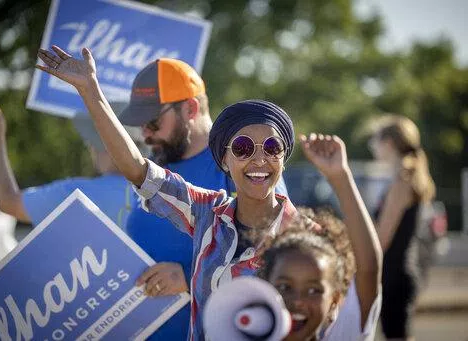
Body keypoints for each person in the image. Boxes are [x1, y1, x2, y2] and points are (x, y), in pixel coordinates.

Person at [35, 46, 381, 341]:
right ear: (225, 161)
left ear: (283, 161)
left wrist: (341, 176)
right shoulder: (206, 213)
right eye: (243, 147)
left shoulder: (304, 237)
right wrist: (90, 91)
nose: (259, 158)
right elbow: (137, 169)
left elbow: (366, 277)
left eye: (272, 147)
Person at [121, 58, 290, 339]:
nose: (145, 135)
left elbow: (277, 253)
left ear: (190, 108)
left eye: (153, 122)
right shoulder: (154, 164)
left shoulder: (244, 164)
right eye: (141, 126)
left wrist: (188, 277)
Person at [258, 134, 382, 340]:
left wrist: (339, 176)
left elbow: (368, 268)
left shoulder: (343, 335)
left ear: (335, 299)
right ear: (265, 288)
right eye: (284, 287)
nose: (298, 301)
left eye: (314, 290)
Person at [0, 98, 146, 227]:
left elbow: (7, 201)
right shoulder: (163, 191)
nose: (89, 148)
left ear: (101, 144)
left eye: (91, 141)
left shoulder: (78, 196)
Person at [368, 115, 436, 341]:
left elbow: (381, 238)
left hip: (395, 276)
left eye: (374, 141)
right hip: (398, 273)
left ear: (388, 143)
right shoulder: (407, 178)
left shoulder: (401, 182)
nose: (372, 147)